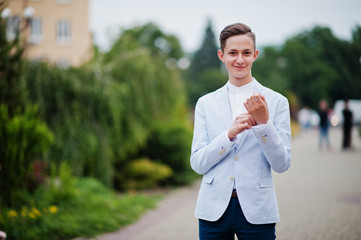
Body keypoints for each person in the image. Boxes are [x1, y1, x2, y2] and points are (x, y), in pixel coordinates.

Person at [190, 23, 291, 240]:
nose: (240, 60)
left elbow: (282, 164)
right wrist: (228, 135)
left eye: (246, 53)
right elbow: (198, 163)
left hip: (258, 209)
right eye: (232, 53)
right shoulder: (205, 103)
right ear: (221, 55)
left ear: (255, 55)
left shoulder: (277, 102)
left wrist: (265, 125)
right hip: (213, 211)